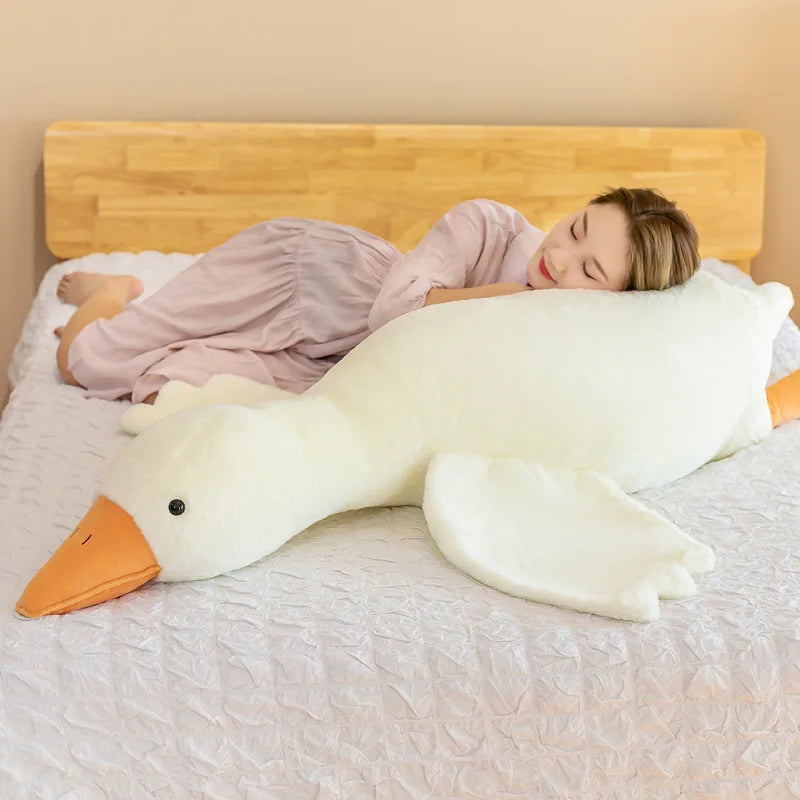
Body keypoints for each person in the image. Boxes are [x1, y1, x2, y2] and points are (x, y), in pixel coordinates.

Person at [52, 187, 800, 428]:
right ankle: (108, 293)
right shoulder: (490, 228)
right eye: (574, 228)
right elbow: (393, 316)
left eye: (590, 268)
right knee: (90, 364)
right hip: (298, 274)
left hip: (328, 359)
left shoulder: (584, 329)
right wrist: (524, 295)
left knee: (174, 389)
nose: (560, 257)